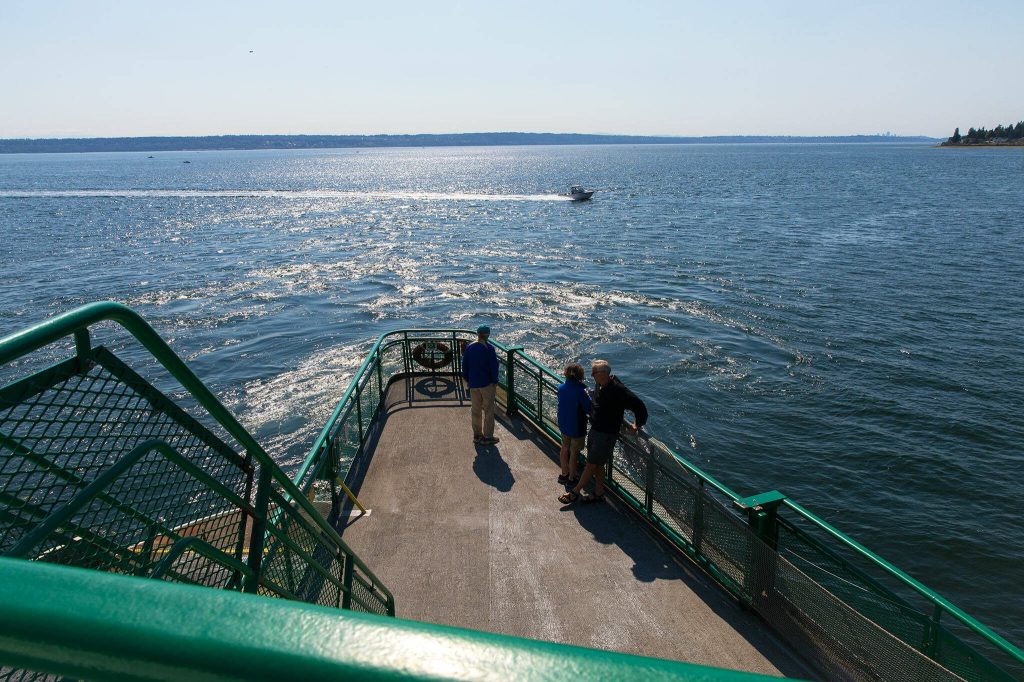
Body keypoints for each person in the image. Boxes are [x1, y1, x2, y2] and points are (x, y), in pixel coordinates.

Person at [559, 359, 647, 504]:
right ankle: (599, 493)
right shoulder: (600, 384)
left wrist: (637, 424)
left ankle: (574, 492)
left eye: (594, 372)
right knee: (598, 464)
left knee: (591, 464)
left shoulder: (618, 390)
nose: (592, 375)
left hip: (606, 434)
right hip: (596, 429)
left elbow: (639, 405)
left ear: (603, 373)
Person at [462, 324, 500, 445]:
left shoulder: (470, 347)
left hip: (473, 384)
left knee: (475, 410)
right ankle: (488, 437)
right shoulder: (489, 349)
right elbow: (494, 367)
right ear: (488, 335)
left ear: (478, 334)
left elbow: (464, 366)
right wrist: (495, 381)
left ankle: (477, 435)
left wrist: (468, 379)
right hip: (486, 384)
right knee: (488, 410)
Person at [556, 363, 592, 486]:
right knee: (574, 453)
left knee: (564, 448)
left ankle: (564, 474)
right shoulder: (581, 391)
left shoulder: (561, 388)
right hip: (577, 427)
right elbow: (588, 408)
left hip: (564, 424)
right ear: (580, 376)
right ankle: (571, 478)